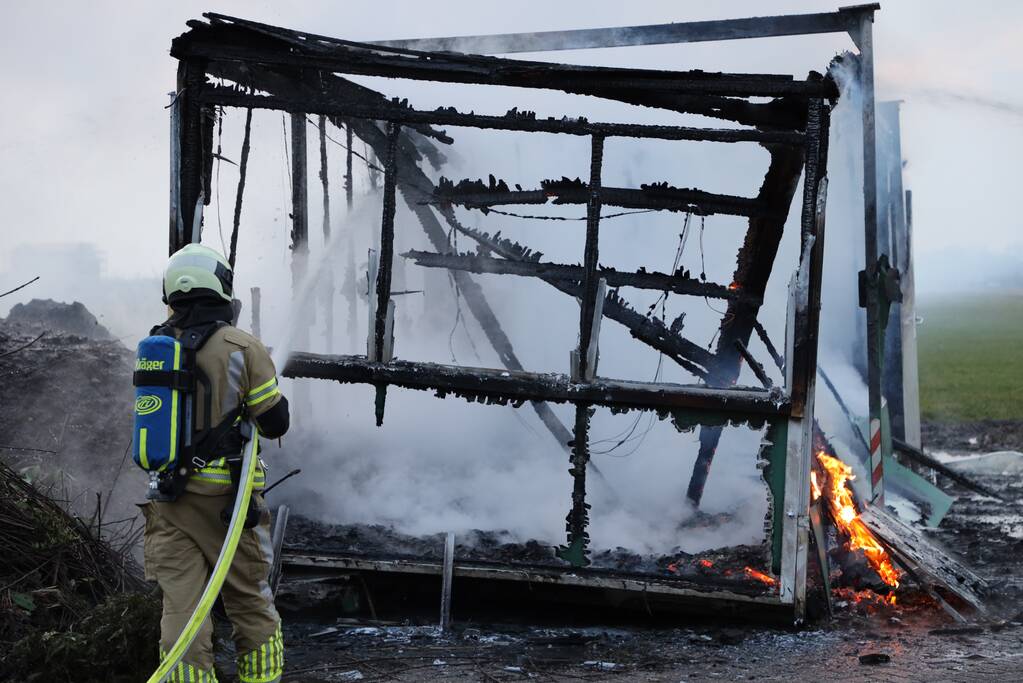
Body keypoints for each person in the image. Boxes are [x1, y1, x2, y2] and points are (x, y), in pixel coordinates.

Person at [140, 244, 289, 683]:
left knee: (183, 615)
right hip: (233, 509)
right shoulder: (243, 347)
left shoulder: (155, 346)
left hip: (170, 504)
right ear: (221, 286)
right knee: (251, 604)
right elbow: (275, 423)